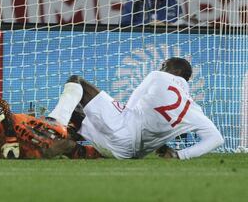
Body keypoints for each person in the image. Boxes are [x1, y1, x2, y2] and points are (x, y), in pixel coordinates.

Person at [48, 57, 224, 159]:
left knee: (77, 82)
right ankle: (67, 146)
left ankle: (54, 125)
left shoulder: (157, 76)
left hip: (122, 129)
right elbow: (216, 139)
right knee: (78, 114)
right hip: (127, 153)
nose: (160, 68)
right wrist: (179, 155)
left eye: (164, 65)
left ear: (175, 72)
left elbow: (130, 109)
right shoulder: (194, 110)